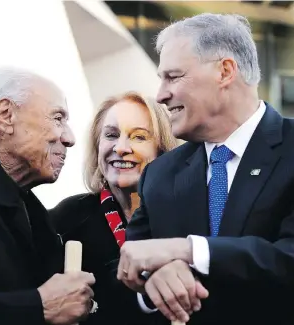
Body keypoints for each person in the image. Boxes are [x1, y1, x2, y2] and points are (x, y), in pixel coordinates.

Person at [116, 13, 294, 325]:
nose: (160, 95)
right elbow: (132, 261)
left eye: (173, 76)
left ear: (225, 71)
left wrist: (188, 250)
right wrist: (153, 280)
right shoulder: (159, 175)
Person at [0, 67, 97, 325]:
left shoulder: (36, 215)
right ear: (6, 115)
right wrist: (38, 307)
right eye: (58, 118)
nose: (70, 138)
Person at [49, 92, 180, 325]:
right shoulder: (66, 220)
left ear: (162, 149)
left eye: (139, 137)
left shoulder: (186, 215)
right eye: (111, 135)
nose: (120, 148)